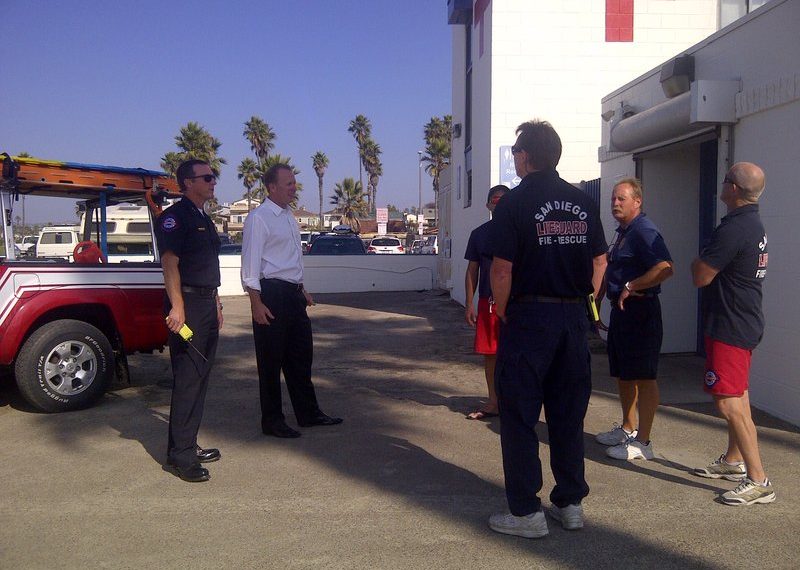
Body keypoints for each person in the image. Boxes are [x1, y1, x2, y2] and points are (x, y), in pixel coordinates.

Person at [487, 120, 607, 538]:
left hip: (530, 318)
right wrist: (585, 302)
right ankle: (570, 503)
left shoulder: (513, 205)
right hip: (574, 320)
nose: (515, 157)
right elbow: (599, 262)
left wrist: (503, 311)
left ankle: (525, 513)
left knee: (519, 415)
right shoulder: (582, 201)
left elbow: (502, 269)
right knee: (567, 414)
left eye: (517, 151)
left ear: (525, 156)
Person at [690, 162, 774, 506]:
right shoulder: (752, 224)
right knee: (738, 395)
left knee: (728, 402)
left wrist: (697, 262)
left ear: (734, 189)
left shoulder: (734, 229)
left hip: (730, 325)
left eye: (726, 179)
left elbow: (701, 276)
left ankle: (759, 481)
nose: (721, 183)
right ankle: (733, 460)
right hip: (742, 321)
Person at [241, 164, 342, 438]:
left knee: (300, 356)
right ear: (271, 187)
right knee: (271, 360)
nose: (293, 187)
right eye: (288, 183)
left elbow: (289, 261)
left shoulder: (288, 216)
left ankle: (308, 413)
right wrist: (255, 303)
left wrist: (302, 289)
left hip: (293, 294)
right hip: (270, 294)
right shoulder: (259, 218)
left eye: (294, 183)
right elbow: (251, 265)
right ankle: (272, 421)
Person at [596, 178, 673, 460]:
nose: (615, 203)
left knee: (644, 375)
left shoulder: (644, 230)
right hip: (623, 313)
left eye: (621, 199)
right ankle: (627, 429)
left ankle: (644, 441)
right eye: (613, 199)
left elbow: (665, 268)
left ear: (637, 202)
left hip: (642, 312)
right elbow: (611, 268)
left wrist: (632, 286)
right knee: (624, 374)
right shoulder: (623, 232)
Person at [157, 159, 223, 483]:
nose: (214, 182)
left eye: (214, 176)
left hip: (207, 304)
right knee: (187, 378)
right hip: (188, 307)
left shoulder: (204, 219)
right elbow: (170, 264)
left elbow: (209, 266)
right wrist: (177, 307)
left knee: (200, 377)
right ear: (187, 182)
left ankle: (188, 443)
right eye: (207, 177)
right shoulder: (175, 217)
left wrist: (218, 304)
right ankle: (179, 457)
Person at [464, 185, 509, 420]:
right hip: (487, 304)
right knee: (491, 356)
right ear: (488, 205)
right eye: (495, 200)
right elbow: (472, 270)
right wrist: (469, 304)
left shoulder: (521, 232)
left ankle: (514, 401)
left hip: (516, 305)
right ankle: (494, 401)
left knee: (516, 355)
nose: (499, 204)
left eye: (504, 200)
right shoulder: (479, 234)